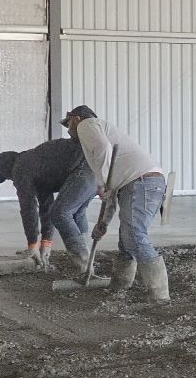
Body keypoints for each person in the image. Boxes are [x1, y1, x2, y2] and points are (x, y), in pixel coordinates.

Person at [62, 106, 171, 303]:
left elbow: (105, 151)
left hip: (142, 182)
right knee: (126, 237)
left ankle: (159, 294)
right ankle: (121, 284)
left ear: (76, 118)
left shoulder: (87, 125)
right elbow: (111, 191)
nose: (68, 130)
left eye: (68, 123)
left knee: (134, 234)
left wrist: (102, 182)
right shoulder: (98, 135)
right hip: (139, 183)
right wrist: (103, 223)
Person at [0, 137, 94, 272]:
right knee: (77, 214)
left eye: (7, 177)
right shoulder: (36, 166)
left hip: (82, 169)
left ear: (7, 169)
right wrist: (46, 243)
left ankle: (84, 265)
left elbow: (28, 209)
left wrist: (32, 245)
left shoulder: (20, 168)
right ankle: (88, 260)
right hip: (95, 168)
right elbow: (46, 207)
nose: (11, 180)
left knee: (61, 214)